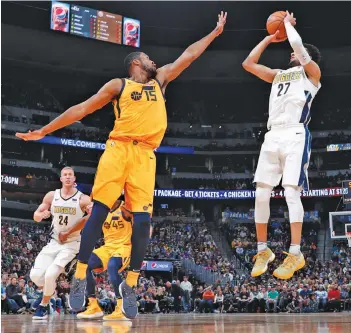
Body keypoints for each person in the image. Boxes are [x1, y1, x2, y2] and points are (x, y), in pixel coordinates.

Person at [16, 11, 227, 320]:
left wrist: (214, 33)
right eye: (148, 58)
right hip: (118, 150)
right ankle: (80, 275)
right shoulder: (119, 85)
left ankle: (130, 282)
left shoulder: (162, 81)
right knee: (100, 210)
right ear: (135, 63)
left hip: (146, 156)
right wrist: (45, 131)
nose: (155, 62)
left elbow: (188, 56)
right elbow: (82, 108)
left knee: (142, 222)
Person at [242, 11, 322, 280]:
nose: (290, 54)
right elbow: (249, 63)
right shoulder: (278, 75)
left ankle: (296, 251)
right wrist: (268, 38)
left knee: (290, 192)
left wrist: (287, 24)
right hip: (272, 135)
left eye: (294, 54)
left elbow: (299, 47)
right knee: (261, 193)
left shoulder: (312, 75)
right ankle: (263, 250)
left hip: (295, 135)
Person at [29, 167, 92, 320]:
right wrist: (41, 215)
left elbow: (90, 217)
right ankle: (50, 293)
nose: (68, 177)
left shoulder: (83, 199)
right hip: (54, 242)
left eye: (70, 175)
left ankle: (43, 306)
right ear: (61, 179)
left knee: (50, 275)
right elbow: (36, 216)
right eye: (65, 175)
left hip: (71, 243)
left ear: (74, 178)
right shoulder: (52, 196)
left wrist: (69, 231)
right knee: (36, 276)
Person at [77, 198, 132, 320]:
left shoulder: (126, 208)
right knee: (83, 264)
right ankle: (93, 306)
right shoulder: (101, 209)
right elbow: (86, 221)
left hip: (124, 247)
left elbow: (144, 223)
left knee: (112, 267)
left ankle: (121, 307)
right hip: (107, 247)